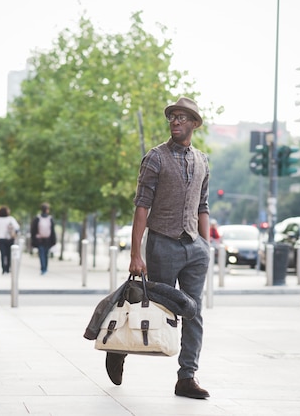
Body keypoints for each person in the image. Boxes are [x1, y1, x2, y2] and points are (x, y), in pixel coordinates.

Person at [106, 97, 211, 399]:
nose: (176, 121)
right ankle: (117, 348)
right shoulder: (155, 158)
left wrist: (206, 244)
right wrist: (135, 253)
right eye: (172, 117)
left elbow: (203, 205)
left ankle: (187, 377)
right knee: (152, 309)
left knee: (194, 313)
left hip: (194, 247)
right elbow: (142, 207)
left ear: (194, 123)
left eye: (182, 117)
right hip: (162, 242)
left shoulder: (203, 160)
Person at [0, 206, 20, 274]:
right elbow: (17, 227)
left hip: (0, 238)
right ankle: (8, 267)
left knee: (2, 254)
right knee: (9, 254)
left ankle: (4, 268)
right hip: (9, 238)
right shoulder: (11, 219)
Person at [30, 202, 57, 275]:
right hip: (47, 240)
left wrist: (33, 240)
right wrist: (54, 241)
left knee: (41, 254)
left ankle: (43, 269)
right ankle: (45, 269)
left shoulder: (37, 218)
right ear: (47, 210)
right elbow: (52, 231)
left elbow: (33, 230)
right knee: (46, 254)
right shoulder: (50, 218)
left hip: (39, 239)